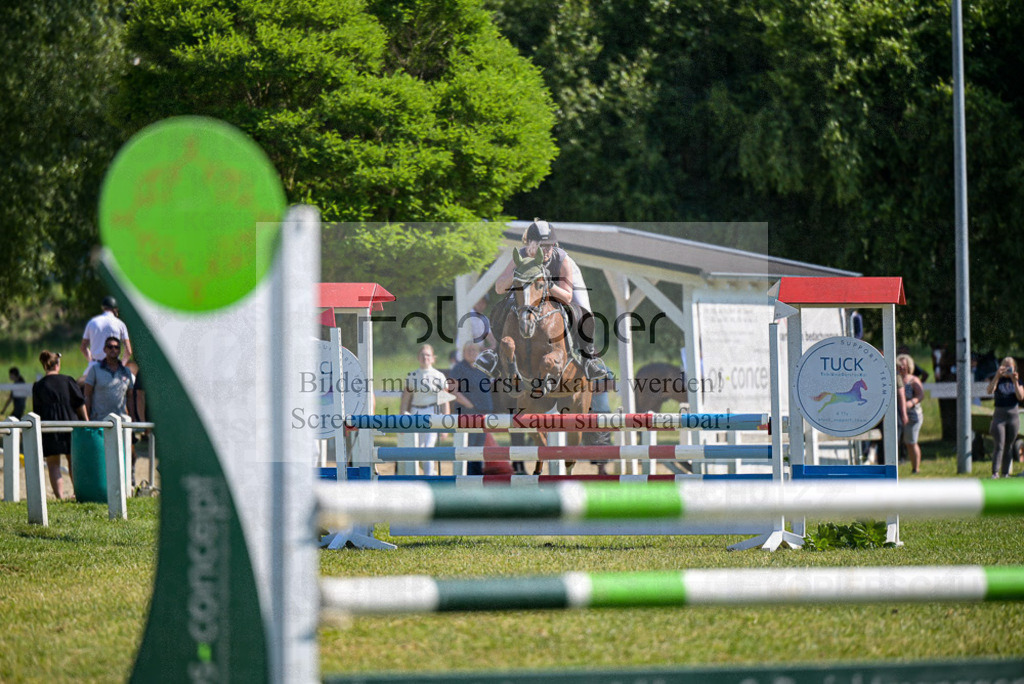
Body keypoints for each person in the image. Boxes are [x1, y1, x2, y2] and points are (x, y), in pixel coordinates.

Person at [479, 218, 609, 381]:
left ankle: (588, 359)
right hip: (530, 287)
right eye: (542, 245)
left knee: (584, 313)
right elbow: (499, 288)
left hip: (559, 287)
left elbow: (567, 296)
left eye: (550, 245)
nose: (547, 250)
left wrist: (547, 284)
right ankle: (496, 355)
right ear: (530, 245)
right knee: (505, 306)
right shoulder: (521, 256)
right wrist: (517, 274)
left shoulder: (562, 259)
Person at [32, 351, 88, 499]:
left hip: (49, 426)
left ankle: (60, 497)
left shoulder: (38, 386)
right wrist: (86, 421)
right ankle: (78, 493)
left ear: (44, 366)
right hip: (70, 423)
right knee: (73, 461)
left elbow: (36, 410)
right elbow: (80, 403)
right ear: (57, 364)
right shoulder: (68, 380)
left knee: (53, 464)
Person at [398, 344, 449, 476]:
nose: (425, 357)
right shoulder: (412, 376)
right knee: (417, 449)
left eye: (428, 355)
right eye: (422, 355)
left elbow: (445, 401)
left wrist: (446, 424)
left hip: (432, 413)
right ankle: (428, 472)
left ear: (433, 358)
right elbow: (405, 399)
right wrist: (401, 419)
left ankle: (428, 477)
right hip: (415, 413)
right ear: (418, 357)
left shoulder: (439, 376)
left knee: (428, 447)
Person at [446, 342, 493, 475]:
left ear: (478, 353)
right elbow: (452, 389)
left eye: (474, 350)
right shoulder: (459, 368)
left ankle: (477, 475)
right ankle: (467, 475)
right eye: (468, 350)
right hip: (468, 413)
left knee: (479, 447)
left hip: (483, 414)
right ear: (463, 353)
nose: (471, 352)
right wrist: (468, 405)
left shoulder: (483, 369)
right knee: (469, 445)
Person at [84, 336, 136, 426]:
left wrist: (133, 418)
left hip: (121, 422)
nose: (113, 349)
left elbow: (130, 397)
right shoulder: (95, 369)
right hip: (99, 422)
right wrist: (87, 420)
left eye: (116, 347)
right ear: (105, 349)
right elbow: (87, 395)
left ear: (119, 351)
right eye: (110, 347)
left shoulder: (126, 372)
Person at [986, 357, 1023, 479]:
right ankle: (995, 472)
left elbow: (1020, 397)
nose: (1007, 369)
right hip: (999, 416)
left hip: (1013, 416)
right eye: (1005, 366)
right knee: (999, 444)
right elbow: (989, 391)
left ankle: (1005, 473)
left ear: (1014, 368)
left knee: (1009, 446)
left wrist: (1015, 381)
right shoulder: (998, 380)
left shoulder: (1018, 381)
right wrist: (997, 376)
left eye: (1009, 367)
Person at [81, 296, 132, 372]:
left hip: (94, 366)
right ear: (115, 309)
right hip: (113, 367)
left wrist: (91, 360)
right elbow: (128, 351)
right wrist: (121, 365)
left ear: (103, 308)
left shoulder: (92, 322)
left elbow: (83, 347)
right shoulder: (120, 324)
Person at [896, 353, 925, 474]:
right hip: (900, 415)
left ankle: (916, 468)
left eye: (904, 365)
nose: (902, 367)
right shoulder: (897, 379)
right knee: (907, 442)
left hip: (913, 416)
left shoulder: (913, 380)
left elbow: (921, 395)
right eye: (900, 365)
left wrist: (911, 403)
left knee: (911, 442)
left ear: (909, 366)